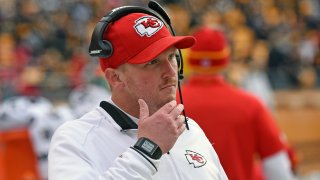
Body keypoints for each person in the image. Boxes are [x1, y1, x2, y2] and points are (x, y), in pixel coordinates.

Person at [48, 3, 227, 180]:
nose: (171, 72)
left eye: (172, 57)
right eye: (152, 62)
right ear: (115, 78)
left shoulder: (190, 129)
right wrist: (147, 150)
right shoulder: (75, 140)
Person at [180, 26, 295, 180]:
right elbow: (279, 171)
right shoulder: (250, 104)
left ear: (190, 60)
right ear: (225, 60)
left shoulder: (168, 103)